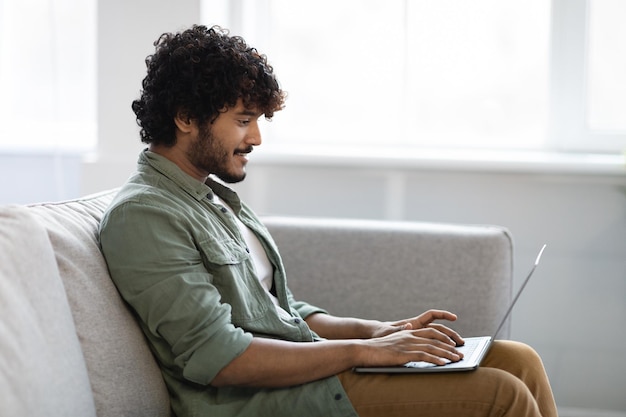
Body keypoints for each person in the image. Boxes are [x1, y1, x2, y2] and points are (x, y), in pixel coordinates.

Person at [98, 25, 558, 417]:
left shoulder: (213, 197)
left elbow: (283, 312)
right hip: (254, 401)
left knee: (518, 360)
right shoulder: (145, 215)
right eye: (242, 120)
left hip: (302, 373)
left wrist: (375, 331)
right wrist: (365, 353)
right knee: (502, 393)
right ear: (185, 117)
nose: (256, 137)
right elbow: (220, 359)